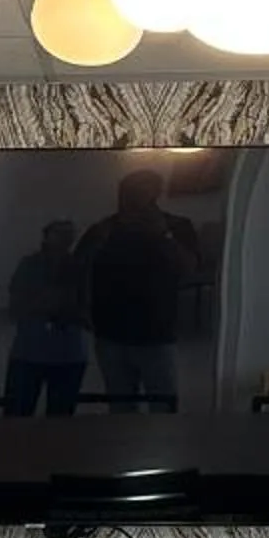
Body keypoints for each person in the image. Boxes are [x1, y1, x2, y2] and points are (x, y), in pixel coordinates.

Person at [74, 168, 198, 409]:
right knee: (120, 406)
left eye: (141, 194)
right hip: (111, 332)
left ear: (155, 194)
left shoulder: (175, 226)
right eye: (129, 194)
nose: (133, 200)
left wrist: (163, 236)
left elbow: (189, 269)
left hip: (156, 332)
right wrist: (82, 308)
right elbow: (79, 269)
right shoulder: (104, 230)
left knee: (163, 405)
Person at [1, 221, 87, 416]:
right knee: (43, 415)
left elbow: (16, 306)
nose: (66, 238)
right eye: (61, 233)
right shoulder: (76, 266)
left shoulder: (75, 267)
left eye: (68, 234)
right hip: (48, 351)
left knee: (24, 413)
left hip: (44, 351)